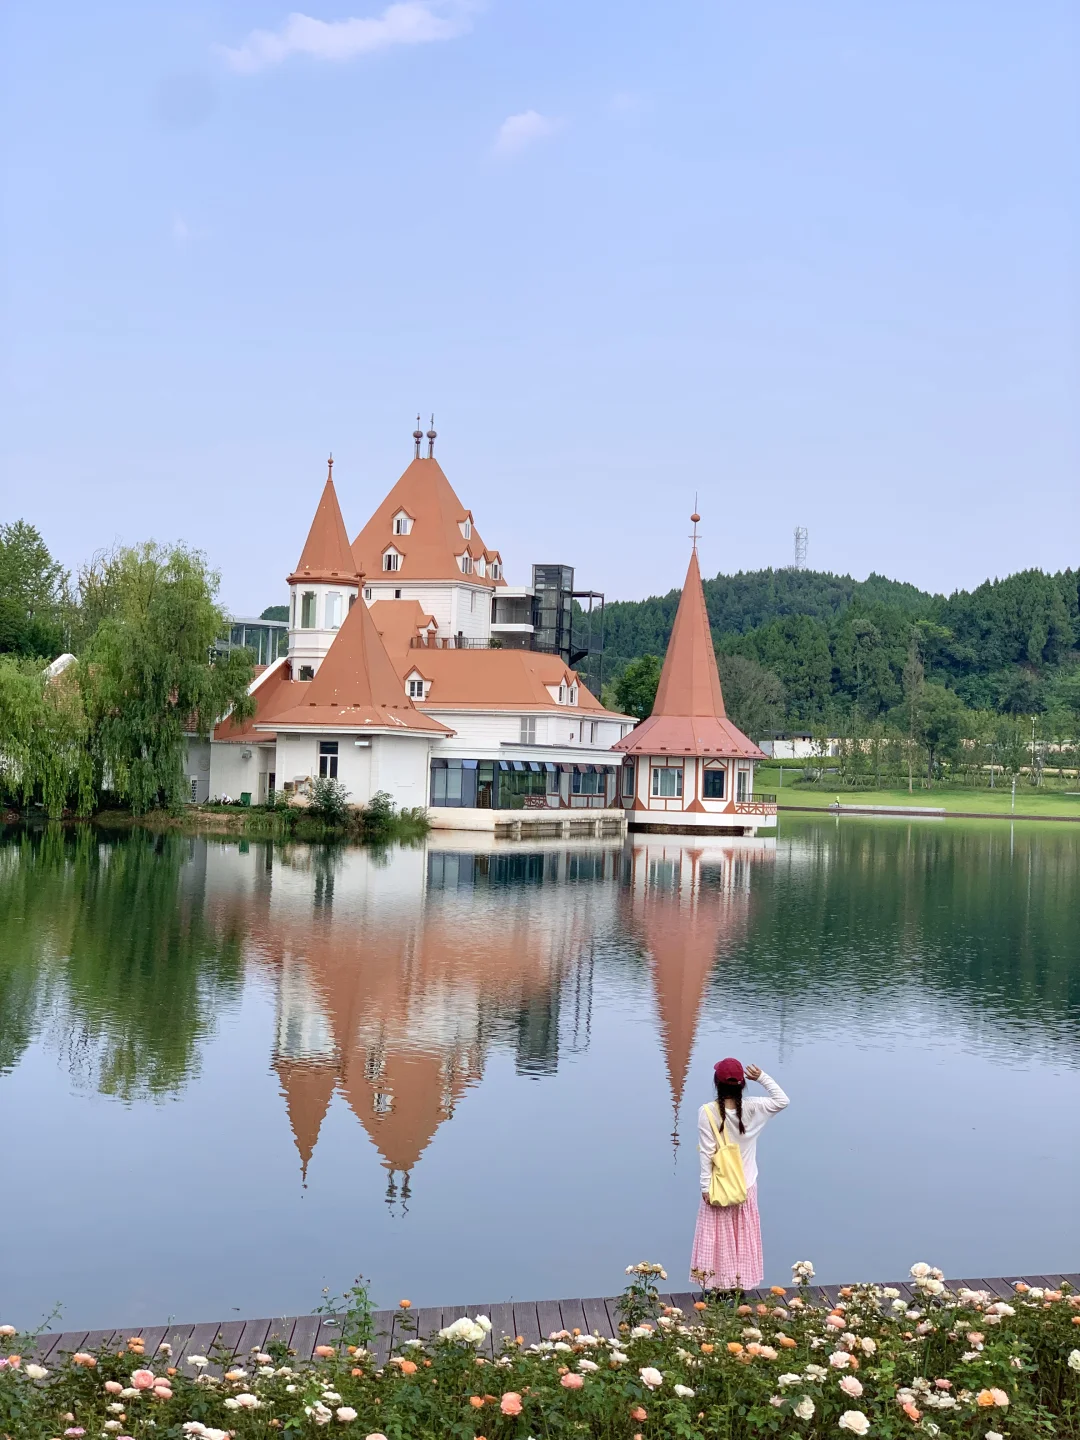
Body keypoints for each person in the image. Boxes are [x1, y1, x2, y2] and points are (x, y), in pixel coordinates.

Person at [690, 1057, 789, 1292]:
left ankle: (716, 1288)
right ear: (742, 1085)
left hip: (720, 1185)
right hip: (746, 1186)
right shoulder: (754, 1107)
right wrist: (762, 1077)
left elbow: (707, 1153)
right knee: (742, 1239)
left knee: (717, 1240)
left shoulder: (707, 1112)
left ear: (716, 1083)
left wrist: (705, 1186)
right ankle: (739, 1288)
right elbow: (782, 1100)